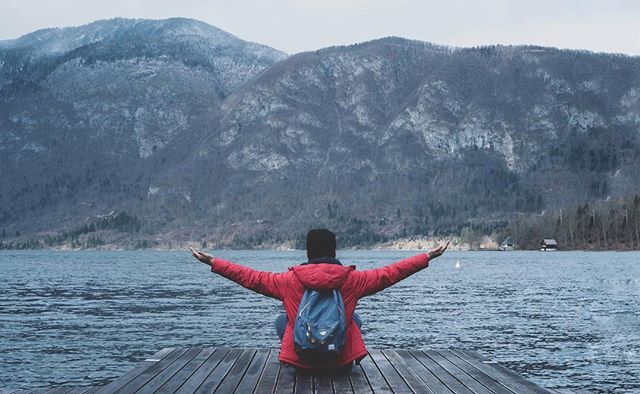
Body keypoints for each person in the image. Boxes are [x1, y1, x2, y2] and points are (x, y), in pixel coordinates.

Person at [191, 229, 449, 372]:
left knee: (284, 319)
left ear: (308, 252)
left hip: (302, 363)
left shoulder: (289, 281)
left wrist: (214, 262)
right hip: (340, 364)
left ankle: (304, 353)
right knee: (353, 318)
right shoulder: (353, 280)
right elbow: (390, 273)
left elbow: (250, 277)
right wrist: (426, 256)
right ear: (334, 252)